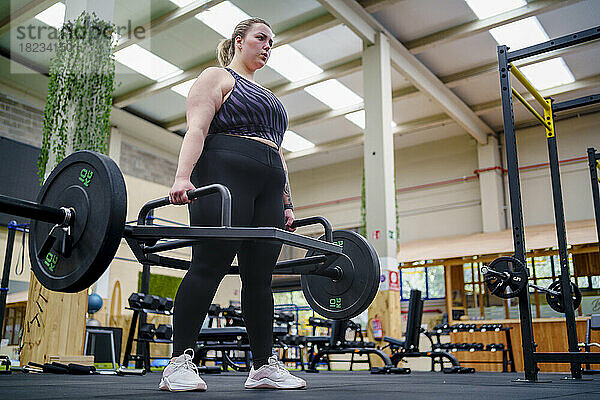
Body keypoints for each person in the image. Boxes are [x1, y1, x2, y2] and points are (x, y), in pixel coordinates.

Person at [159, 18, 306, 392]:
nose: (267, 46)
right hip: (224, 171)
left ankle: (262, 367)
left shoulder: (269, 96)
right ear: (239, 41)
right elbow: (197, 129)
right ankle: (178, 363)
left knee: (260, 279)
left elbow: (280, 152)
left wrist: (287, 202)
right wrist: (182, 176)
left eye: (272, 41)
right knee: (209, 264)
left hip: (268, 183)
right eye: (261, 38)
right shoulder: (217, 77)